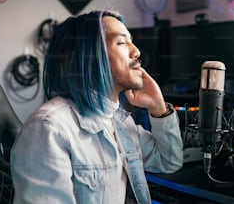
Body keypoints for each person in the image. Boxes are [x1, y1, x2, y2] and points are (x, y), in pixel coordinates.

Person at [10, 10, 183, 204]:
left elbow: (169, 161)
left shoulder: (119, 120)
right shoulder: (48, 129)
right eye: (121, 42)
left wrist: (158, 107)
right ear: (89, 56)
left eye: (131, 41)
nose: (136, 51)